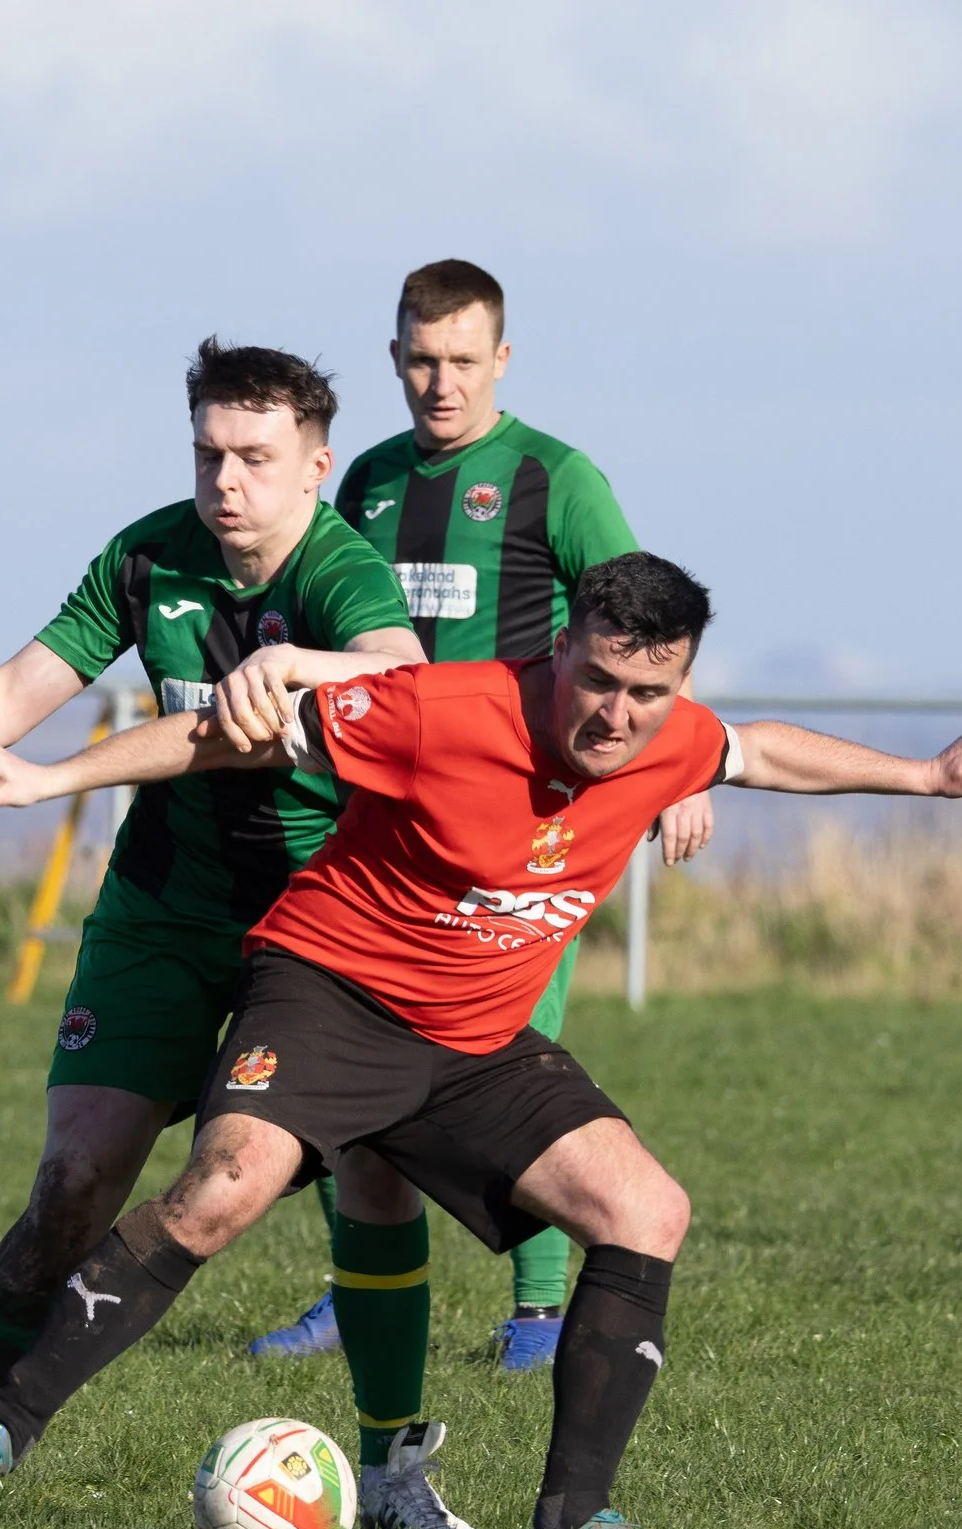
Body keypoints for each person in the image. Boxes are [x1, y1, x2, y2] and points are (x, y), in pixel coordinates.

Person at [0, 553, 962, 1529]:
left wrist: (929, 778)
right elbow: (228, 734)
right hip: (328, 997)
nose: (615, 712)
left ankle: (572, 1524)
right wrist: (49, 777)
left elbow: (760, 752)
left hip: (476, 1043)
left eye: (648, 691)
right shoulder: (440, 708)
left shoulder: (672, 737)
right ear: (560, 651)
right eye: (597, 678)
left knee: (646, 1209)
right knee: (225, 1186)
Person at [0, 339, 482, 1529]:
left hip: (320, 926)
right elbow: (14, 695)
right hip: (163, 911)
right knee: (73, 1178)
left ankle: (391, 1470)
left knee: (376, 1175)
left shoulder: (341, 573)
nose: (226, 480)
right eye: (209, 453)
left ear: (315, 467)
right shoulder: (147, 554)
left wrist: (296, 666)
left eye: (256, 458)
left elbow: (405, 673)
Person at [250, 259, 715, 1396]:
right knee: (353, 1060)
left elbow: (642, 629)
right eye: (418, 358)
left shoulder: (554, 477)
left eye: (461, 360)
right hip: (385, 822)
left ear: (501, 359)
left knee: (511, 1057)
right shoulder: (362, 479)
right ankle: (365, 1277)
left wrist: (680, 769)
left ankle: (542, 1307)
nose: (438, 382)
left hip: (523, 824)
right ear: (394, 354)